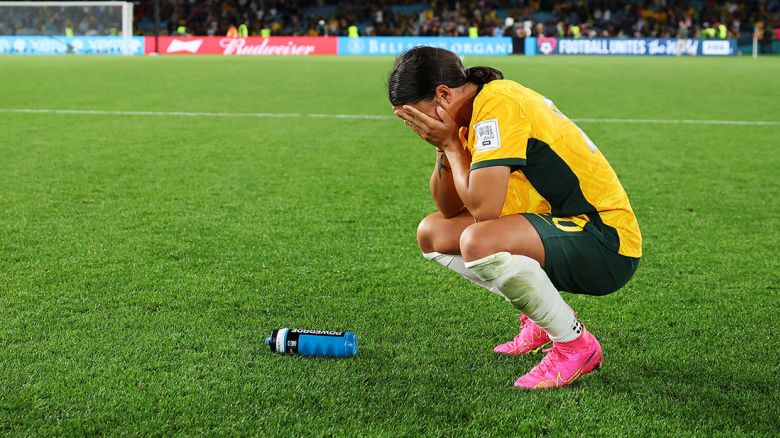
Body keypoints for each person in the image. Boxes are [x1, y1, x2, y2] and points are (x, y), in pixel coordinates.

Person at [388, 47, 642, 389]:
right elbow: (449, 209)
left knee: (478, 241)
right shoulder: (471, 115)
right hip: (559, 226)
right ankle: (542, 316)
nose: (420, 127)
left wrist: (450, 144)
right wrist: (444, 147)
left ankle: (574, 345)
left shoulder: (497, 105)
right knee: (433, 233)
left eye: (420, 116)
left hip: (605, 238)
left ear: (443, 95)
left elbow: (483, 210)